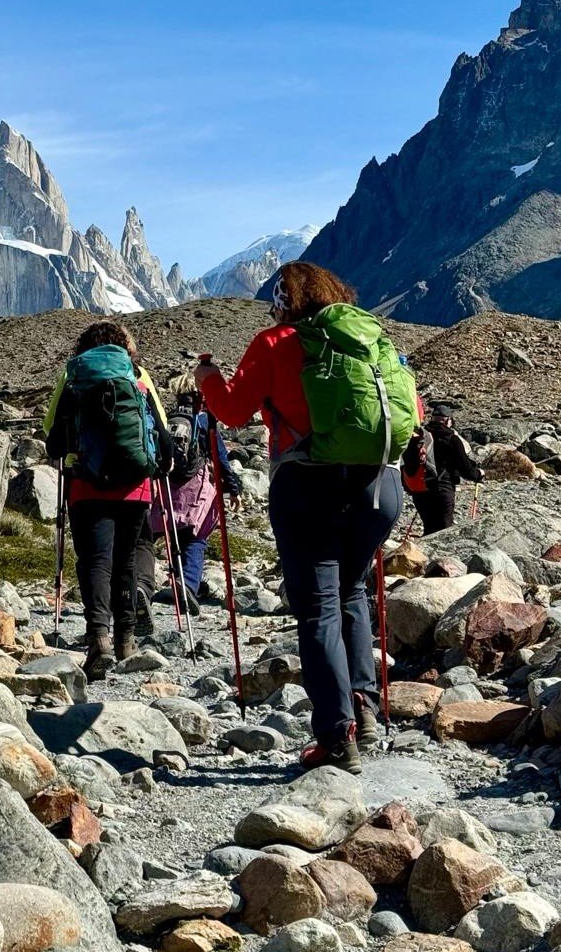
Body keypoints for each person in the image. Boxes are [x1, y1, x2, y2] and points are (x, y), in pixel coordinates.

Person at [194, 261, 403, 774]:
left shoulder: (274, 342)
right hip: (380, 486)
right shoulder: (371, 338)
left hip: (308, 485)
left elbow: (234, 410)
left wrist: (207, 378)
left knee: (319, 609)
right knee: (352, 590)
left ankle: (336, 737)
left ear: (284, 299)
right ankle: (366, 711)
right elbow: (407, 408)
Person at [44, 321, 170, 680]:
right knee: (127, 560)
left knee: (96, 560)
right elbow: (159, 432)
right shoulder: (138, 377)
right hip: (135, 486)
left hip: (86, 483)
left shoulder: (74, 378)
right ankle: (126, 640)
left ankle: (98, 637)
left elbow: (52, 436)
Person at [134, 377, 242, 633]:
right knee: (194, 539)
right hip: (196, 489)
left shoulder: (167, 418)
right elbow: (221, 457)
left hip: (165, 488)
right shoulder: (204, 420)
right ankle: (187, 585)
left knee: (148, 538)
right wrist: (233, 487)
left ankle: (139, 584)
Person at [413, 404, 484, 535]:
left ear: (432, 418)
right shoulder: (452, 439)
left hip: (420, 489)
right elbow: (465, 468)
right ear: (448, 421)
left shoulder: (420, 436)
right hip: (442, 489)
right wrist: (478, 474)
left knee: (429, 528)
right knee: (443, 532)